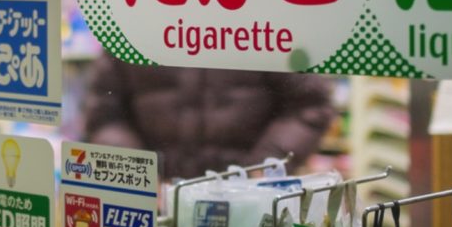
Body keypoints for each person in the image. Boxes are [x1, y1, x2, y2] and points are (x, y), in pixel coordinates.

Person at [83, 53, 335, 179]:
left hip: (249, 203)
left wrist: (260, 171)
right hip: (157, 201)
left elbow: (309, 104)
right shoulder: (131, 21)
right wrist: (140, 178)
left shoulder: (264, 16)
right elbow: (104, 114)